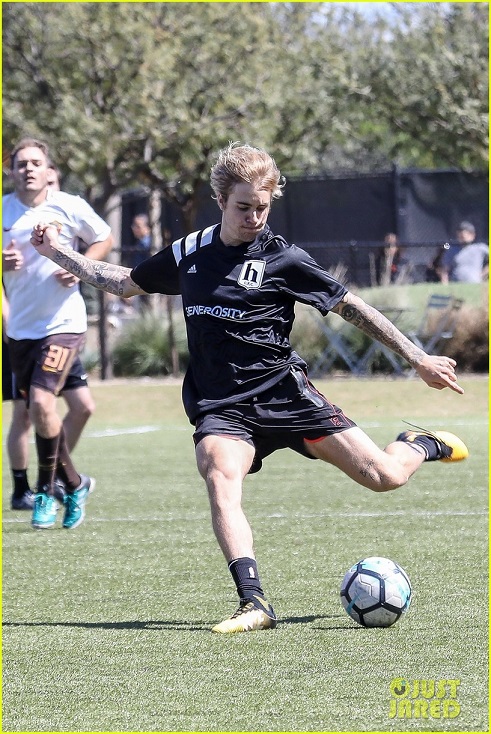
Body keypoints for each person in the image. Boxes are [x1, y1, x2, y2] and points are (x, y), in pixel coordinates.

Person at [31, 142, 468, 632]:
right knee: (219, 470)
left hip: (286, 393)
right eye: (244, 207)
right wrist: (60, 253)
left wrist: (418, 358)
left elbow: (352, 307)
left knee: (385, 476)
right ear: (220, 200)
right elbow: (125, 282)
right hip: (223, 404)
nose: (255, 217)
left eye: (263, 207)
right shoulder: (190, 252)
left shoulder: (285, 257)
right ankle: (254, 601)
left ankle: (419, 444)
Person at [3, 137, 114, 530]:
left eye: (36, 162)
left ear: (48, 169)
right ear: (10, 169)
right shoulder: (3, 210)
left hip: (64, 325)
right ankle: (75, 484)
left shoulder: (69, 205)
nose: (29, 168)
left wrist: (81, 264)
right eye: (21, 163)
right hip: (19, 330)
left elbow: (103, 238)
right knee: (44, 410)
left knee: (40, 403)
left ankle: (45, 492)